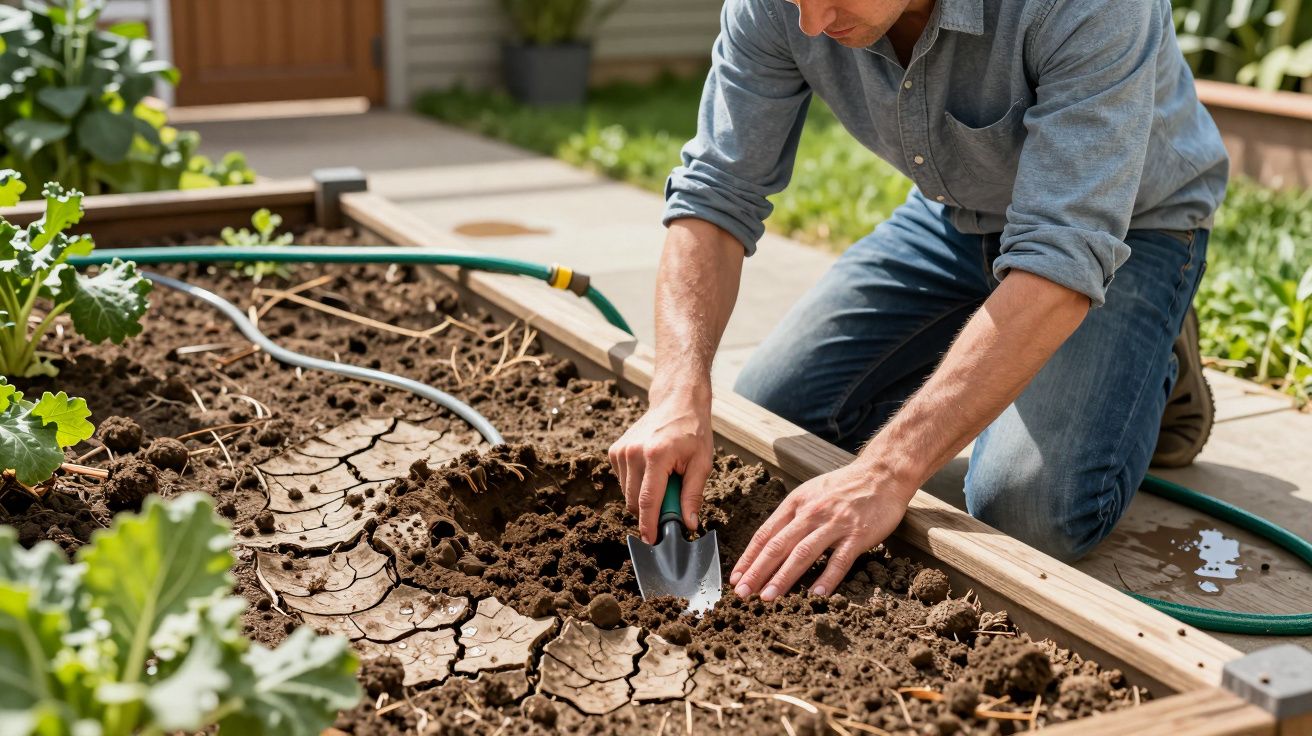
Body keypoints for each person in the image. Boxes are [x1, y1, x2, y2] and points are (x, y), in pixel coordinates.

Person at [607, 0, 1228, 602]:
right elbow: (716, 193)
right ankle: (997, 326)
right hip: (956, 219)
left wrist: (887, 471)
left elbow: (1062, 256)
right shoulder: (784, 5)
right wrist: (677, 389)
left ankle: (1154, 353)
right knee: (779, 418)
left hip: (1123, 232)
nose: (809, 23)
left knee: (1023, 510)